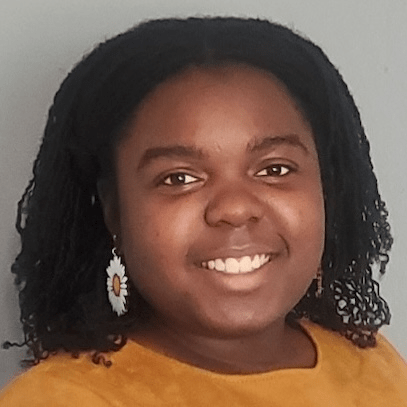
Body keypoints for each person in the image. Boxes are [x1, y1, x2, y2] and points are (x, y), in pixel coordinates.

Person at [1, 16, 406, 406]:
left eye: (275, 169)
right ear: (113, 212)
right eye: (179, 178)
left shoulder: (372, 364)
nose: (235, 209)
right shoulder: (62, 400)